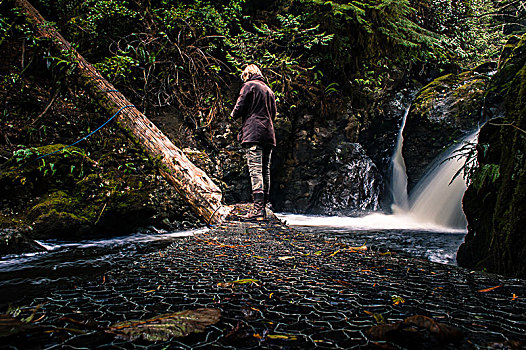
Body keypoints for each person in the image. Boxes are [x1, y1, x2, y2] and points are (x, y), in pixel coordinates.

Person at [231, 64, 276, 220]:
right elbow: (274, 114)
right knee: (266, 170)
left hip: (253, 133)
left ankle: (257, 209)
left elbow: (239, 107)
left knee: (255, 169)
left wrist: (233, 115)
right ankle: (263, 207)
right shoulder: (269, 90)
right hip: (269, 134)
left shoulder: (249, 86)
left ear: (248, 74)